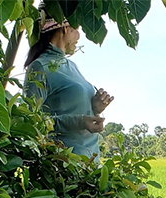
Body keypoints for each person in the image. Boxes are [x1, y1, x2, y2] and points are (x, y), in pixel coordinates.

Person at [23, 11, 113, 159]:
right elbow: (31, 121)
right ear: (65, 28)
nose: (79, 37)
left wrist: (96, 109)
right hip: (63, 168)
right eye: (76, 30)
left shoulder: (72, 66)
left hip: (90, 166)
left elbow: (75, 111)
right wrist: (80, 121)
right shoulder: (40, 66)